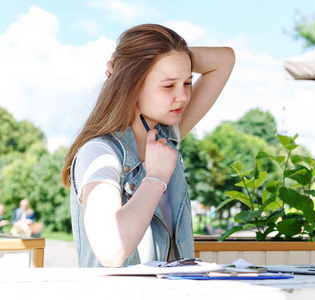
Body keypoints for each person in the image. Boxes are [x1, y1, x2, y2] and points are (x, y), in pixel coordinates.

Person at [61, 24, 235, 268]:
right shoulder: (99, 153)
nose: (183, 96)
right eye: (168, 85)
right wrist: (155, 178)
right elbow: (110, 250)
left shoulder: (166, 139)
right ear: (130, 85)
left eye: (187, 82)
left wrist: (148, 59)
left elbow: (225, 59)